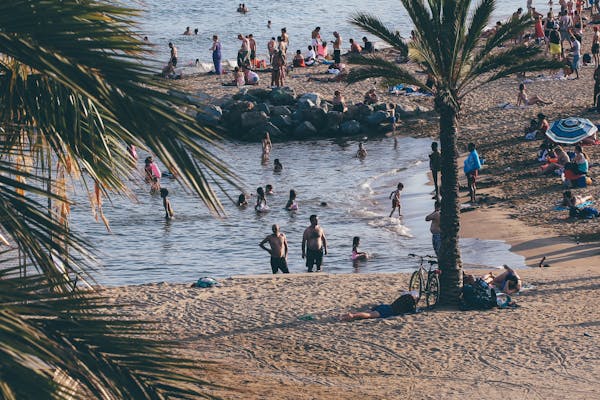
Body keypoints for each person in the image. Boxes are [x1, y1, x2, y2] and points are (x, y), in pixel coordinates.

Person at [341, 291, 418, 321]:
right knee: (369, 315)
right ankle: (352, 315)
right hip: (387, 311)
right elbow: (412, 311)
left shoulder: (399, 301)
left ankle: (348, 315)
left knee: (369, 312)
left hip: (385, 306)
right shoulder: (407, 306)